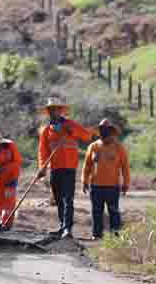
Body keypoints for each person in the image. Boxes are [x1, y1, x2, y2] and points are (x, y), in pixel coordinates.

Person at [36, 98, 97, 239]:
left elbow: (87, 136)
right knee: (57, 198)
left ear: (60, 110)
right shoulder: (46, 130)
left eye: (56, 109)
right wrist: (42, 168)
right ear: (49, 112)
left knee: (67, 199)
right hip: (55, 168)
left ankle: (67, 229)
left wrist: (73, 132)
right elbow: (42, 151)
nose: (53, 112)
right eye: (51, 110)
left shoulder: (70, 124)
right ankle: (62, 226)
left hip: (69, 168)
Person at [82, 119, 130, 240]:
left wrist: (126, 183)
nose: (104, 133)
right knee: (96, 212)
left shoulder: (119, 148)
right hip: (96, 186)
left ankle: (116, 235)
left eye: (107, 131)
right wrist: (84, 181)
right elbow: (86, 166)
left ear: (112, 132)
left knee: (114, 211)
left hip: (112, 187)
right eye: (102, 131)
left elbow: (125, 167)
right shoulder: (93, 147)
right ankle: (97, 235)